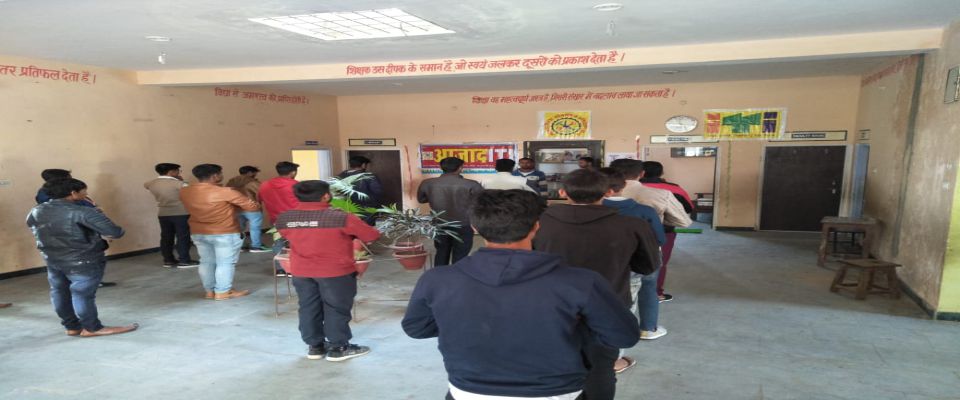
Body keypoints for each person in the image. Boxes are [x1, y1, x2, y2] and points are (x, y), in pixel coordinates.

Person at [403, 190, 640, 400]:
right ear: (536, 226)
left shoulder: (437, 280)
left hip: (467, 390)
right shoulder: (581, 282)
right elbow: (624, 336)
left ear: (474, 227)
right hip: (556, 391)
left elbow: (417, 328)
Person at [533, 169, 661, 400]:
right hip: (608, 304)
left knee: (548, 361)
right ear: (609, 192)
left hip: (549, 306)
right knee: (601, 367)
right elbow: (647, 266)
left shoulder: (538, 223)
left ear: (562, 192)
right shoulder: (632, 225)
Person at [276, 180, 381, 361]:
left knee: (308, 306)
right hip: (335, 272)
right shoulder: (340, 217)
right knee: (336, 308)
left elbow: (287, 235)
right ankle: (338, 348)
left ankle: (315, 347)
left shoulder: (285, 218)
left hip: (301, 271)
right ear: (325, 196)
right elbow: (371, 235)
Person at [26, 178, 137, 337]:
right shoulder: (83, 211)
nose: (86, 193)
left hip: (52, 258)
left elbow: (34, 227)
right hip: (83, 259)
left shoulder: (36, 210)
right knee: (82, 294)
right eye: (84, 190)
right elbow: (115, 231)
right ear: (73, 193)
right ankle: (92, 328)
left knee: (60, 292)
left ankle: (72, 326)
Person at [599, 168, 668, 341]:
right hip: (645, 259)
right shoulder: (645, 210)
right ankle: (648, 328)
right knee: (648, 289)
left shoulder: (594, 210)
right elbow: (660, 239)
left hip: (606, 260)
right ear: (624, 185)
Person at [180, 164, 259, 300]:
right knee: (225, 263)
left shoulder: (185, 191)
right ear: (215, 176)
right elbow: (252, 207)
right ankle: (223, 291)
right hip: (225, 232)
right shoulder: (225, 192)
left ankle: (210, 291)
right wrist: (234, 207)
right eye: (220, 173)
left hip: (198, 231)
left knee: (206, 262)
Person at [36, 169, 116, 287]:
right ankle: (83, 282)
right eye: (68, 177)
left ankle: (87, 281)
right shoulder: (51, 195)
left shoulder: (62, 193)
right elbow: (68, 210)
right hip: (72, 231)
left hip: (80, 228)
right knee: (80, 259)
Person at [641, 161, 695, 303]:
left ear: (641, 173)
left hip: (632, 229)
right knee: (660, 261)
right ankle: (656, 293)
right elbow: (688, 208)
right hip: (664, 230)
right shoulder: (674, 188)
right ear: (661, 173)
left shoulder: (628, 187)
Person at [416, 157, 483, 266]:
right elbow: (481, 203)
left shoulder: (427, 183)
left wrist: (434, 197)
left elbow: (421, 199)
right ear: (460, 168)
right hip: (464, 224)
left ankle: (440, 275)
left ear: (441, 167)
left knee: (441, 252)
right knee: (461, 254)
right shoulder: (472, 184)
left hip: (439, 223)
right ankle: (457, 275)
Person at [144, 163, 198, 268]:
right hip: (181, 213)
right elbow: (190, 193)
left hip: (163, 213)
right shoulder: (179, 184)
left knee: (166, 237)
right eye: (178, 171)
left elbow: (146, 186)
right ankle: (184, 260)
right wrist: (180, 180)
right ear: (171, 172)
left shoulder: (150, 183)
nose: (179, 173)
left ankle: (168, 260)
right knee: (182, 237)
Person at [226, 165, 270, 252]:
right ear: (249, 173)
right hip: (252, 208)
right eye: (254, 173)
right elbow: (262, 193)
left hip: (236, 208)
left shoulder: (231, 182)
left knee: (239, 228)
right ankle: (256, 246)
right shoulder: (252, 182)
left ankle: (240, 246)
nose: (255, 175)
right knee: (255, 228)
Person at [337, 155, 385, 225]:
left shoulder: (341, 176)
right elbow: (378, 192)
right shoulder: (369, 176)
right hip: (367, 208)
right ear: (363, 165)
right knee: (366, 227)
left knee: (351, 227)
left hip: (347, 207)